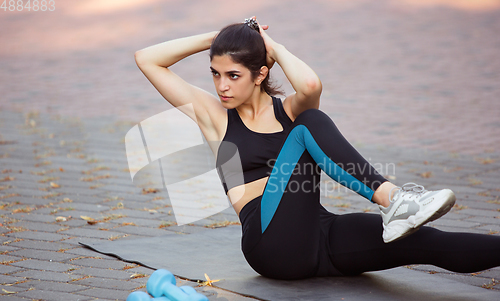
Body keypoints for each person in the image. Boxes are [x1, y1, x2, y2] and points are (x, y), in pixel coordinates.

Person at [134, 17, 500, 280]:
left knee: (428, 242)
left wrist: (270, 45)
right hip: (270, 244)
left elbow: (310, 84)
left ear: (261, 74)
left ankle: (402, 208)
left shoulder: (288, 111)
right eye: (215, 73)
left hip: (319, 236)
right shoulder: (214, 117)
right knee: (309, 126)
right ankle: (394, 199)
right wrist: (219, 38)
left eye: (233, 75)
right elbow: (147, 59)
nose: (221, 86)